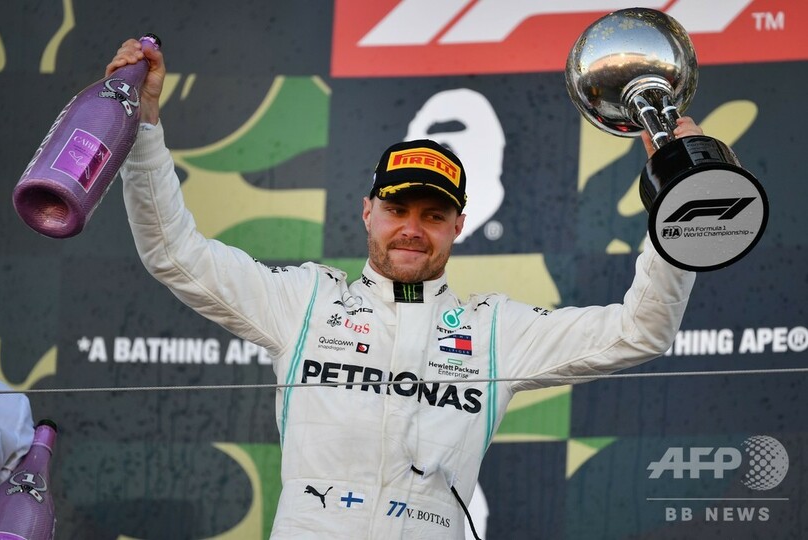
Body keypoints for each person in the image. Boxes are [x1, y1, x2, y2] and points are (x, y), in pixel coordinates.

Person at [109, 39, 700, 539]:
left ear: (458, 226)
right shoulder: (305, 303)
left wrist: (680, 201)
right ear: (368, 212)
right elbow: (174, 254)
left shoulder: (495, 330)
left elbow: (641, 330)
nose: (412, 230)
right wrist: (144, 125)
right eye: (397, 209)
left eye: (433, 215)